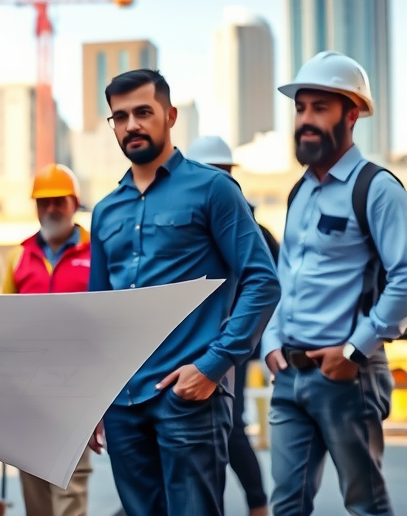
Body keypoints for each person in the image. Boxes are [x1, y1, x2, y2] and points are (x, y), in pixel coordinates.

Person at [86, 68, 280, 516]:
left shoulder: (213, 190)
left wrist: (212, 366)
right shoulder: (105, 211)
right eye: (120, 116)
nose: (131, 124)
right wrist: (93, 398)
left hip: (188, 396)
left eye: (143, 112)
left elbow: (262, 281)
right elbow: (99, 312)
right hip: (123, 401)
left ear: (170, 116)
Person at [261, 51, 407, 516]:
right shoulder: (299, 191)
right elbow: (285, 279)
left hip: (348, 377)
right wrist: (269, 341)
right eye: (301, 108)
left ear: (351, 113)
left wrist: (354, 351)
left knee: (366, 505)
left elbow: (405, 277)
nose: (305, 119)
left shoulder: (377, 188)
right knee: (285, 506)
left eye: (319, 107)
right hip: (289, 376)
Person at [188, 134, 276, 516]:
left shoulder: (251, 229)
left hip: (233, 346)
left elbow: (270, 287)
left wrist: (245, 342)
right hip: (202, 345)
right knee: (206, 434)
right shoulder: (192, 224)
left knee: (227, 428)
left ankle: (257, 504)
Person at [0, 163, 92, 516]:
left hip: (78, 393)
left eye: (59, 201)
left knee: (70, 490)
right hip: (29, 396)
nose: (51, 209)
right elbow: (4, 330)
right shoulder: (18, 257)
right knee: (35, 492)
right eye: (43, 202)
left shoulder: (96, 253)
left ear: (75, 202)